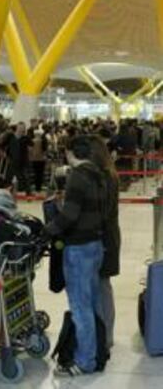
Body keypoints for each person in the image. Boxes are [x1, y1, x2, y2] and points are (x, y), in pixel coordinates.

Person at [45, 135, 107, 377]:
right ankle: (97, 351)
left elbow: (69, 216)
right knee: (92, 302)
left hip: (79, 248)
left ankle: (85, 361)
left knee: (80, 306)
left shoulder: (77, 177)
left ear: (71, 152)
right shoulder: (98, 174)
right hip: (95, 244)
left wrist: (47, 229)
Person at [87, 135, 120, 350]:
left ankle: (105, 335)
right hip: (108, 235)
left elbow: (101, 211)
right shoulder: (108, 175)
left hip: (103, 237)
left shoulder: (103, 177)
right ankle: (104, 333)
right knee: (101, 285)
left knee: (101, 285)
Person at [5, 122, 33, 194]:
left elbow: (31, 146)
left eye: (23, 128)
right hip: (12, 160)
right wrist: (6, 155)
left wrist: (29, 154)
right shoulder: (10, 137)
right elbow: (3, 145)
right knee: (9, 176)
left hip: (23, 160)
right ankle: (8, 191)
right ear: (17, 128)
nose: (21, 129)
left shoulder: (26, 138)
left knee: (24, 176)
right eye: (20, 128)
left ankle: (28, 191)